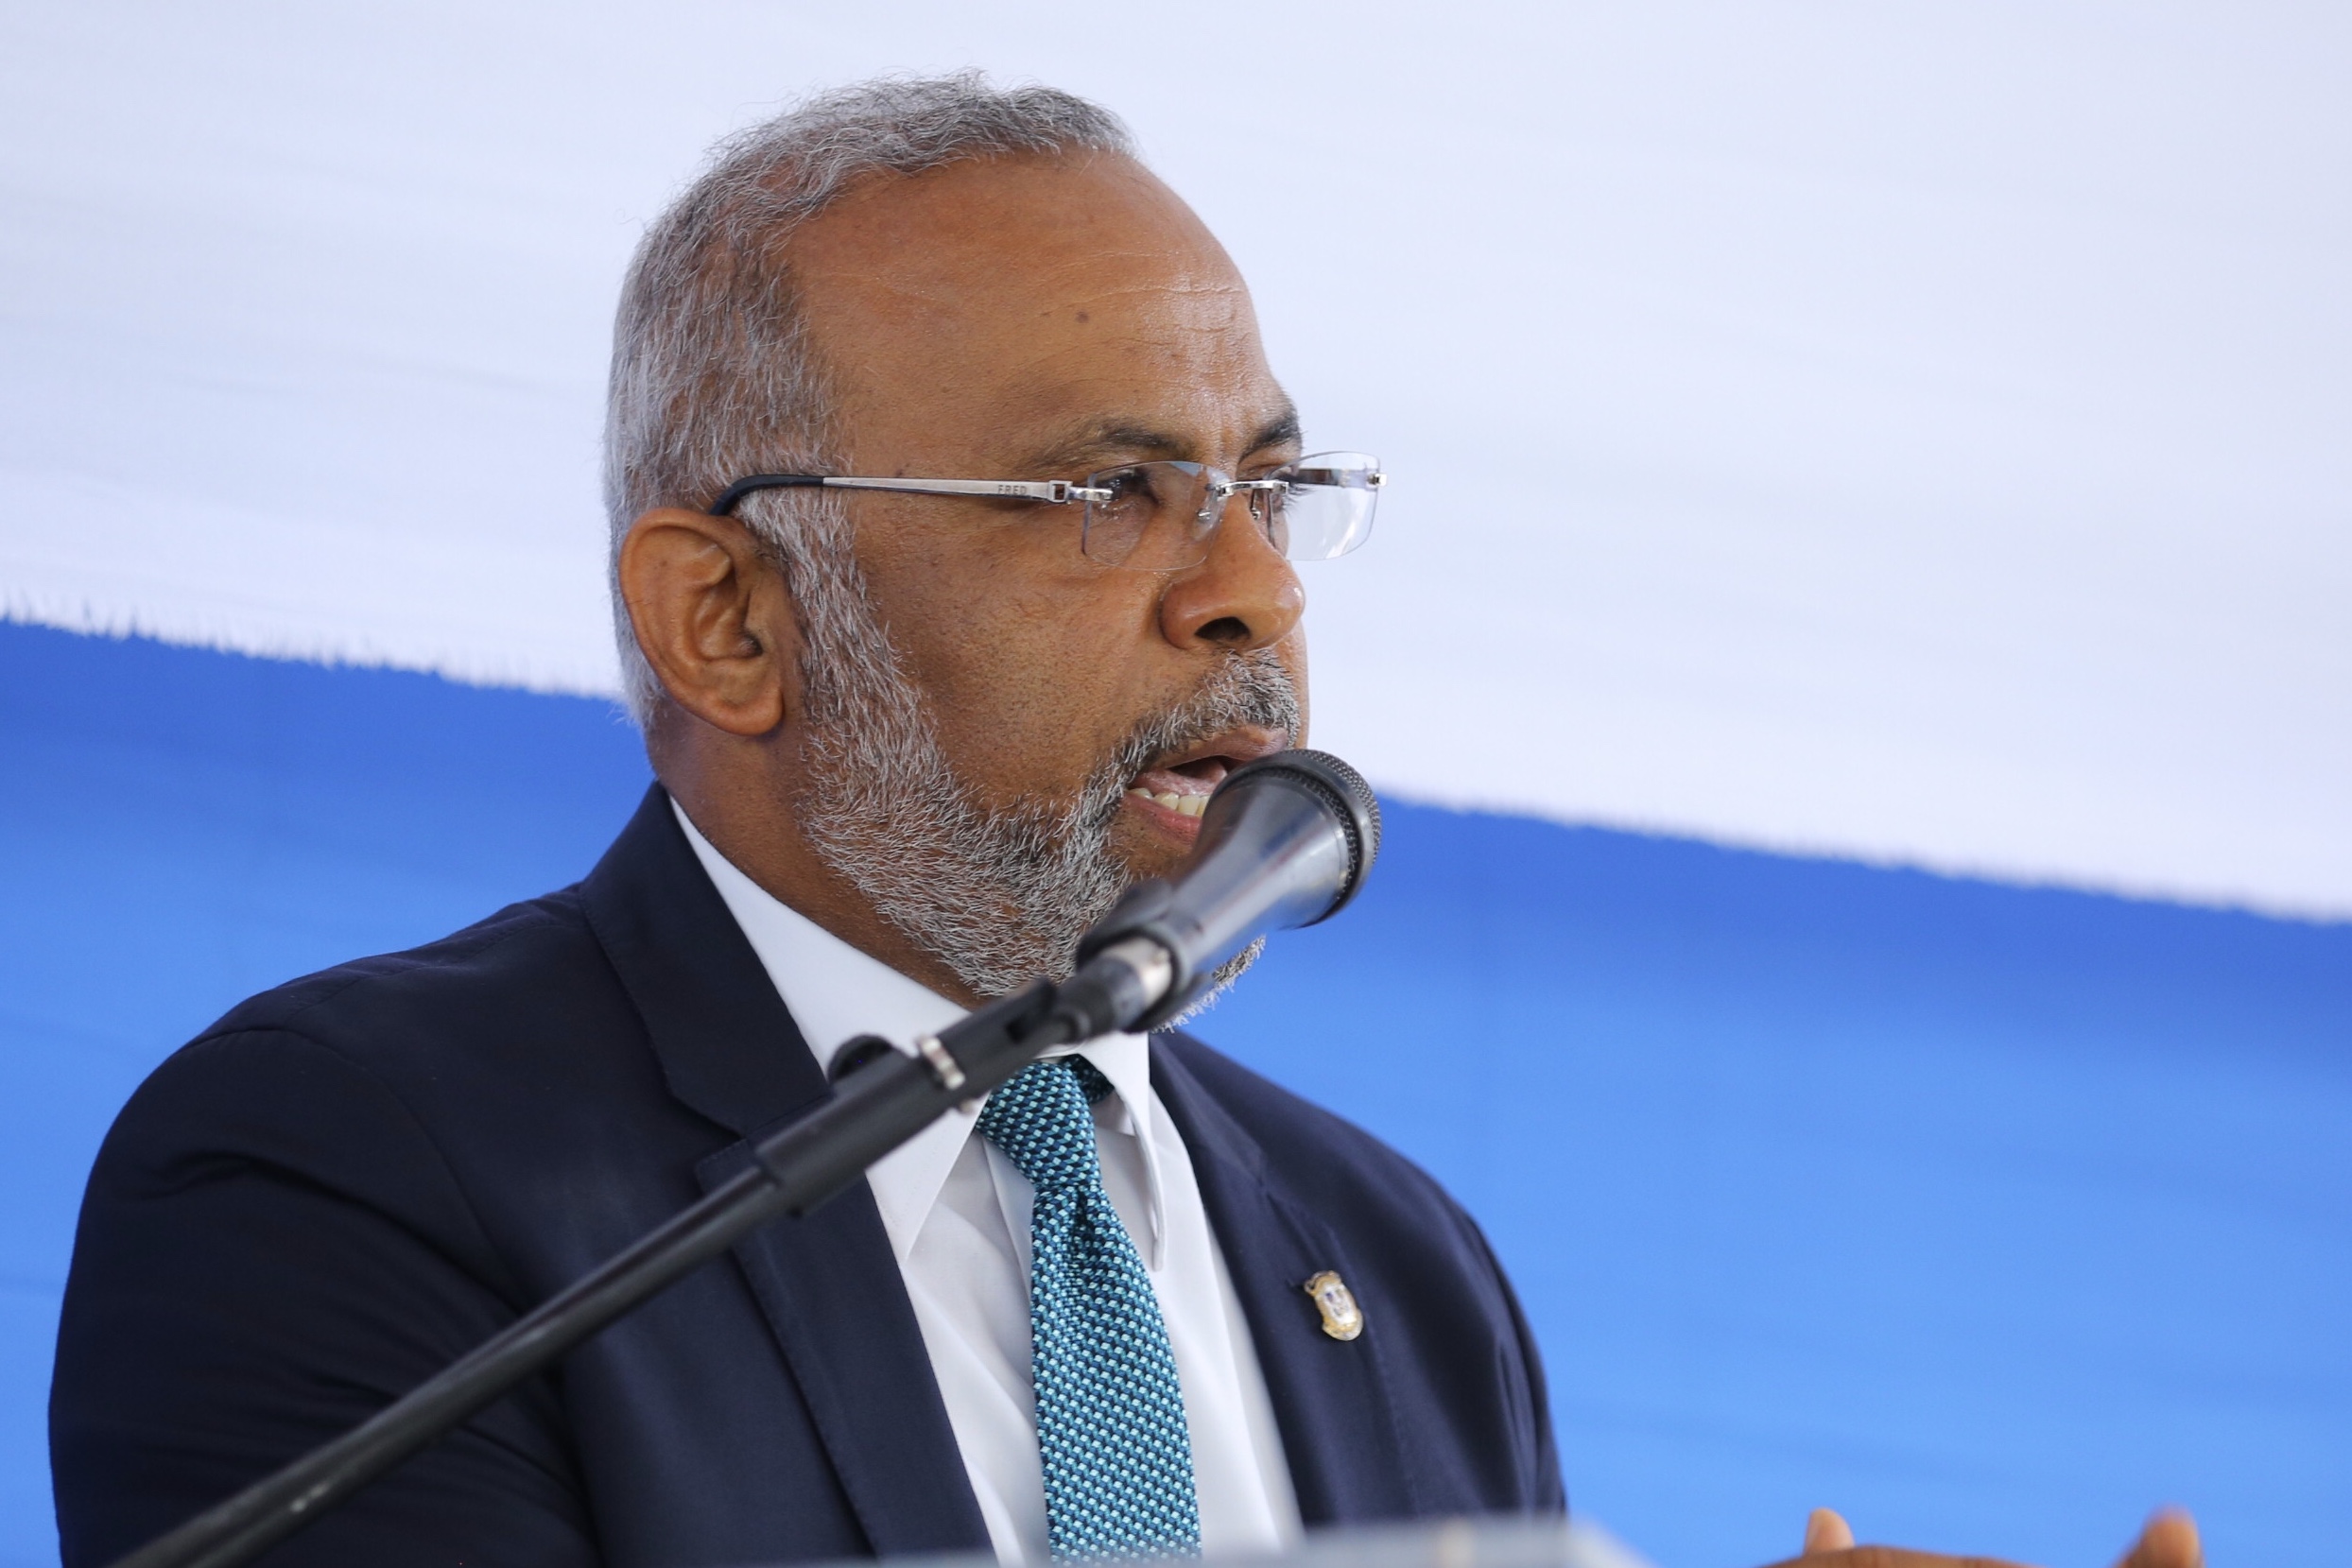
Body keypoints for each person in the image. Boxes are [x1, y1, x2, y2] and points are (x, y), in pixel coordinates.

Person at [48, 76, 2197, 1568]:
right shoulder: (354, 1169)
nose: (1249, 588)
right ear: (729, 618)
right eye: (1104, 492)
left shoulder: (1398, 1260)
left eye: (1270, 484)